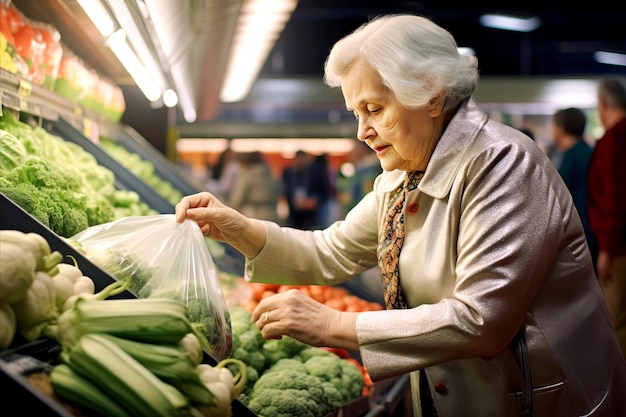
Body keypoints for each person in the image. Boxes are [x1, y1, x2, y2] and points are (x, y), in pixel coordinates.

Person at [176, 14, 626, 416]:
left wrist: (333, 323)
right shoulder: (401, 178)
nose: (362, 130)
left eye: (374, 109)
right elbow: (329, 250)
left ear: (430, 94)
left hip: (542, 399)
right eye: (356, 112)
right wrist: (237, 228)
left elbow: (481, 319)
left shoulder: (503, 164)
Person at [587, 77, 626, 360]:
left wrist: (606, 250)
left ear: (603, 105)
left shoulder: (614, 140)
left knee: (615, 322)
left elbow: (614, 198)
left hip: (619, 249)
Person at [551, 107, 597, 267]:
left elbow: (558, 199)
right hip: (596, 231)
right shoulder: (590, 151)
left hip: (579, 234)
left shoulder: (569, 158)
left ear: (560, 129)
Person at [227, 151, 282, 223]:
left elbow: (236, 200)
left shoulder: (246, 175)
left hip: (252, 217)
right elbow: (280, 191)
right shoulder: (270, 174)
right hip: (273, 217)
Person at [280, 150, 318, 229]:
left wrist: (313, 200)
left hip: (309, 213)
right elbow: (283, 189)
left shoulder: (314, 173)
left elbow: (321, 191)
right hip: (292, 212)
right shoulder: (288, 173)